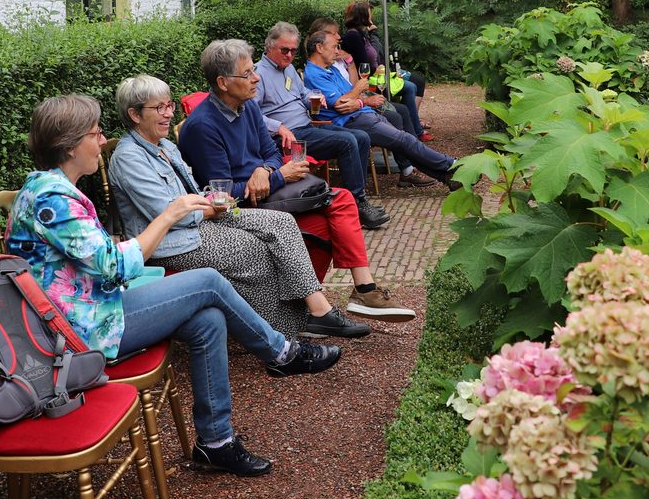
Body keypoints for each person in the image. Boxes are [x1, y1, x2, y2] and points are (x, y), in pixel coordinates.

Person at [5, 94, 341, 477]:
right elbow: (115, 268)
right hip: (77, 333)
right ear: (69, 145)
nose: (101, 141)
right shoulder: (54, 200)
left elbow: (92, 264)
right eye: (95, 134)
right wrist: (169, 215)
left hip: (92, 311)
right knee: (208, 281)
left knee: (208, 319)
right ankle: (282, 354)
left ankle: (216, 442)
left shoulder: (50, 189)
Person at [108, 74, 371, 339]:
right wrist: (213, 207)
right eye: (159, 108)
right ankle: (283, 337)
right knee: (253, 248)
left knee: (282, 222)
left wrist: (216, 199)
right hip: (170, 241)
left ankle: (316, 311)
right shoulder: (129, 157)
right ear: (135, 114)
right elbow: (171, 216)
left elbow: (193, 192)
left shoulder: (165, 145)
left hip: (200, 219)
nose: (168, 114)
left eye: (169, 105)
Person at [178, 39, 416, 321]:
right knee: (333, 209)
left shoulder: (248, 106)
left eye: (254, 70)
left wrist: (265, 169)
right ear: (223, 82)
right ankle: (345, 297)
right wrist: (278, 176)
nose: (256, 78)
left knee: (339, 203)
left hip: (267, 194)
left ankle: (342, 296)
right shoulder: (203, 127)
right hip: (239, 210)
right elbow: (222, 196)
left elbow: (271, 152)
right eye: (247, 74)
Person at [254, 22, 389, 231]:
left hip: (307, 126)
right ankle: (357, 206)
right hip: (288, 138)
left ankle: (358, 200)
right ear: (270, 46)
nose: (290, 55)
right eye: (285, 50)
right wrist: (278, 126)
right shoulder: (258, 74)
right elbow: (251, 115)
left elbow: (303, 94)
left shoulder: (289, 68)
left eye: (293, 51)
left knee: (361, 137)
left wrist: (314, 98)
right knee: (347, 141)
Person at [303, 29, 459, 187]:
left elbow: (350, 97)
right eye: (334, 47)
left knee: (403, 143)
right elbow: (342, 104)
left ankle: (447, 176)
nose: (338, 51)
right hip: (351, 121)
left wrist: (358, 100)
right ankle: (453, 165)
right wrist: (359, 93)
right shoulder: (315, 74)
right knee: (404, 140)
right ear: (319, 48)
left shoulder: (330, 69)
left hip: (363, 115)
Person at [341, 0, 430, 140]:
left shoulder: (361, 34)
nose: (371, 16)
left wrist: (371, 35)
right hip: (369, 81)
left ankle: (413, 129)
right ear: (363, 15)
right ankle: (414, 131)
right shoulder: (354, 36)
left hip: (377, 74)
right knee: (409, 87)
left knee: (415, 83)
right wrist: (373, 34)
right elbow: (365, 65)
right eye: (369, 13)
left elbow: (377, 55)